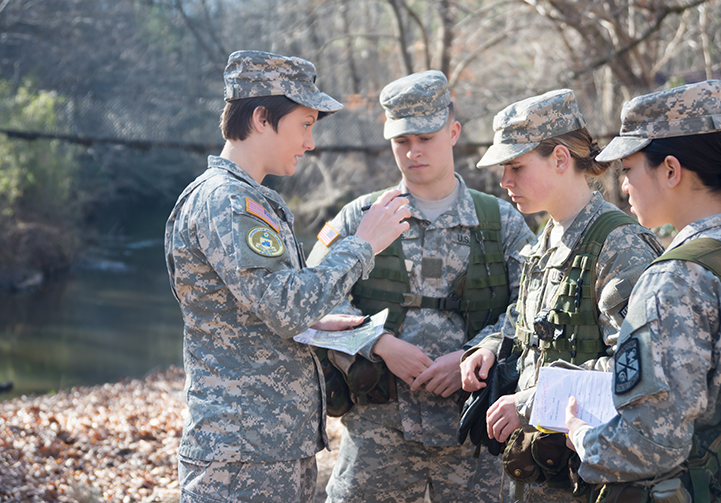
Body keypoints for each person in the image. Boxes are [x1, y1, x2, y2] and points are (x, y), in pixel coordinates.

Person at [164, 50, 411, 503]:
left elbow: (257, 308)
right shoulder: (228, 201)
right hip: (242, 458)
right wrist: (364, 244)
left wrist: (312, 323)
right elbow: (284, 305)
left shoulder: (249, 199)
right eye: (305, 123)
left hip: (268, 447)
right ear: (261, 117)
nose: (311, 142)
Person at [565, 79, 721, 502]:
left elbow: (651, 447)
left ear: (671, 170)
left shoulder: (674, 280)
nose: (624, 187)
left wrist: (582, 438)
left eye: (629, 171)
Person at [306, 70, 536, 503]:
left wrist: (482, 350)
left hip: (475, 432)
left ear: (453, 132)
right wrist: (378, 344)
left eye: (426, 138)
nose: (413, 152)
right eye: (402, 141)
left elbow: (531, 307)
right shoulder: (362, 217)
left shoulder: (501, 222)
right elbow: (313, 302)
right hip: (379, 434)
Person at [460, 89, 664, 502]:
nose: (505, 182)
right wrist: (492, 345)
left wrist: (531, 402)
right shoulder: (549, 236)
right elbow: (529, 322)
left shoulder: (618, 246)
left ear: (559, 158)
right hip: (543, 471)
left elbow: (637, 369)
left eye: (516, 166)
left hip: (591, 476)